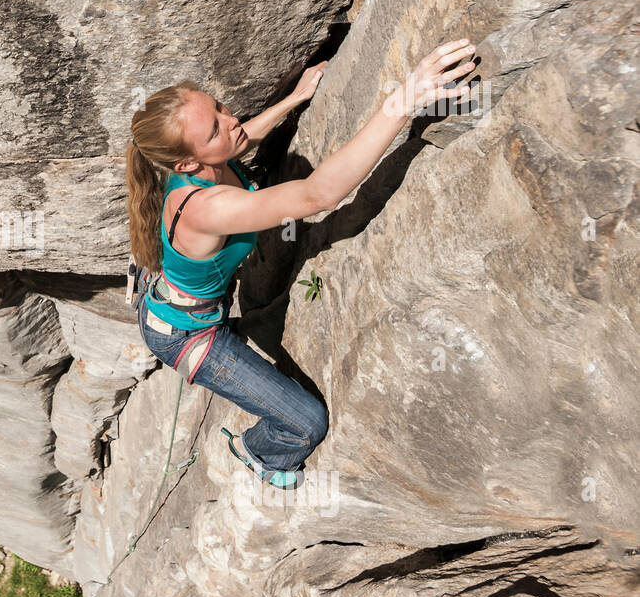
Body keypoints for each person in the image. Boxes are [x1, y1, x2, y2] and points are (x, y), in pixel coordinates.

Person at [125, 39, 477, 489]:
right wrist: (403, 102)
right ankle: (258, 452)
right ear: (189, 161)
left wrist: (295, 98)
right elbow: (318, 195)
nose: (231, 122)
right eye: (214, 129)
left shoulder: (201, 163)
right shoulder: (206, 208)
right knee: (306, 423)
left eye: (220, 108)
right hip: (186, 333)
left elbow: (240, 137)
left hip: (177, 301)